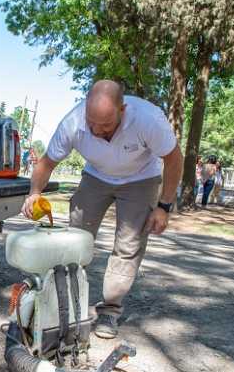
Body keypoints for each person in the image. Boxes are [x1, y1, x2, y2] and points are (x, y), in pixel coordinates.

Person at [21, 80, 183, 339]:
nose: (96, 130)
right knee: (74, 238)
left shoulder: (148, 119)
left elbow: (174, 158)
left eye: (105, 125)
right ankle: (65, 301)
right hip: (96, 176)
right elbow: (48, 162)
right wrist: (34, 193)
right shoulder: (73, 123)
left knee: (128, 244)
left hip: (141, 179)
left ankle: (110, 309)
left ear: (123, 110)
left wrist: (164, 206)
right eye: (91, 122)